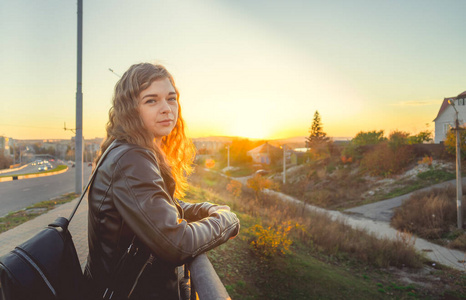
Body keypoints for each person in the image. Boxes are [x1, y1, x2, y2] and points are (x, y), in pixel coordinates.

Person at [84, 63, 240, 299]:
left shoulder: (128, 149)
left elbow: (158, 207)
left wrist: (206, 209)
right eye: (151, 100)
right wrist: (227, 221)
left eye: (171, 98)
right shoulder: (131, 159)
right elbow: (177, 243)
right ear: (131, 109)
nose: (167, 108)